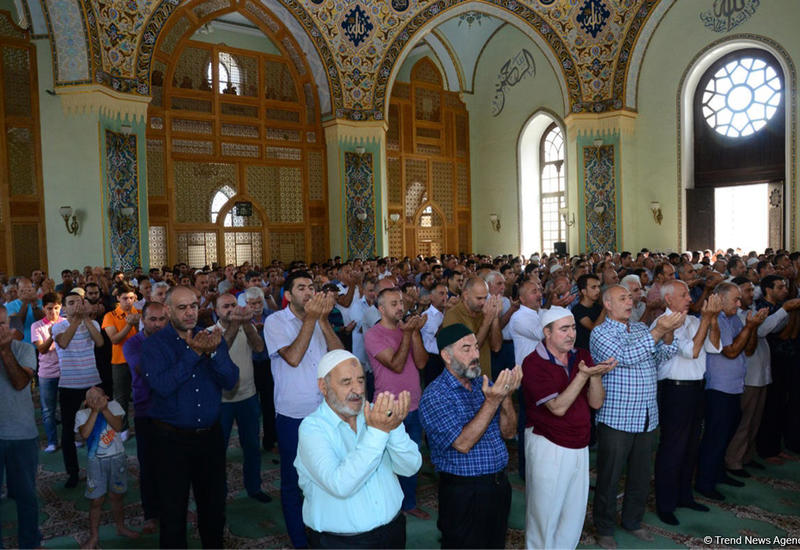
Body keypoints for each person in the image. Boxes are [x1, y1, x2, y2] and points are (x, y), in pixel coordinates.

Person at [141, 286, 239, 548]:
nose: (189, 313)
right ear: (168, 310)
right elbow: (162, 386)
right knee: (172, 512)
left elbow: (230, 381)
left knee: (213, 507)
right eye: (182, 308)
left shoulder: (211, 338)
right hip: (170, 441)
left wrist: (215, 351)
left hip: (210, 438)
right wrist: (194, 353)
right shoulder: (154, 345)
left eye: (194, 306)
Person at [295, 350, 422, 549]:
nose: (358, 389)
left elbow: (410, 467)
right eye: (346, 382)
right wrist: (379, 431)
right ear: (323, 386)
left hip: (393, 532)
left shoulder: (376, 414)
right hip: (342, 543)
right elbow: (340, 484)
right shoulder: (312, 429)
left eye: (361, 380)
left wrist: (394, 426)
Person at [590, 285, 683, 549]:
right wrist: (658, 330)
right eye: (623, 298)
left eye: (630, 297)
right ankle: (604, 528)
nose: (630, 301)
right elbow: (626, 356)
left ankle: (632, 520)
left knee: (641, 476)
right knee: (609, 476)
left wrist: (668, 331)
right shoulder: (601, 333)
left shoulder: (642, 329)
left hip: (646, 415)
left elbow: (663, 356)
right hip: (617, 417)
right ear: (608, 304)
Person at [419, 323, 522, 549]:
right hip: (464, 493)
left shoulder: (481, 384)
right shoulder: (435, 395)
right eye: (466, 349)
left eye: (476, 347)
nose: (475, 354)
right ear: (446, 355)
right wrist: (492, 401)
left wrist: (505, 397)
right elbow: (463, 443)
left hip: (498, 485)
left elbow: (510, 431)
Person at [522, 307, 614, 549]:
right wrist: (583, 376)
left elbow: (596, 402)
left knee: (573, 513)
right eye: (564, 329)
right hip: (548, 445)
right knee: (545, 514)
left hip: (579, 443)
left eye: (573, 327)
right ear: (547, 332)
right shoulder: (533, 364)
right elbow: (558, 408)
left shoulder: (581, 355)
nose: (571, 334)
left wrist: (595, 375)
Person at [263, 270, 343, 548]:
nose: (309, 292)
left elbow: (339, 357)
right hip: (293, 416)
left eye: (311, 287)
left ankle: (326, 531)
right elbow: (294, 357)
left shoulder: (319, 320)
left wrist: (322, 321)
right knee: (293, 483)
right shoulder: (276, 322)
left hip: (326, 412)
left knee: (328, 476)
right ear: (287, 296)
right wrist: (312, 318)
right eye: (301, 288)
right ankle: (300, 541)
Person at [652, 281, 722, 525]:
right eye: (683, 295)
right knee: (673, 447)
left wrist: (712, 320)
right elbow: (691, 351)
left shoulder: (693, 320)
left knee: (692, 444)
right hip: (675, 391)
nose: (690, 299)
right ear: (669, 299)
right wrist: (706, 318)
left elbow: (714, 346)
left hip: (696, 389)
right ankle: (665, 503)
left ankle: (684, 495)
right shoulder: (663, 323)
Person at [695, 283, 767, 501]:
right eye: (735, 300)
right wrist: (749, 327)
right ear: (720, 299)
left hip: (735, 386)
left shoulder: (734, 318)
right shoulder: (713, 321)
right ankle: (704, 482)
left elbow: (749, 348)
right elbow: (732, 351)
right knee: (714, 437)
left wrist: (752, 327)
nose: (739, 303)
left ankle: (718, 474)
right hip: (718, 387)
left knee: (726, 434)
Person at [365, 287, 428, 519]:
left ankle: (408, 503)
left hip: (414, 404)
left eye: (401, 302)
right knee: (385, 462)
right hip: (388, 408)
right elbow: (396, 364)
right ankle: (384, 507)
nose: (400, 307)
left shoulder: (407, 330)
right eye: (393, 304)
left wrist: (413, 333)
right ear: (381, 309)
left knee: (411, 457)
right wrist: (408, 334)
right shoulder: (374, 335)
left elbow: (421, 363)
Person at [212, 293, 271, 502]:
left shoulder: (248, 326)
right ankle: (219, 491)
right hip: (221, 401)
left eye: (234, 305)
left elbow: (259, 348)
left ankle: (254, 487)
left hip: (248, 396)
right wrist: (236, 325)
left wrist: (246, 325)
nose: (230, 309)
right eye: (225, 306)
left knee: (252, 446)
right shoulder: (211, 333)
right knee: (218, 450)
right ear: (216, 311)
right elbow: (221, 350)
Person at [122, 301, 169, 534]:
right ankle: (150, 513)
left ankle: (172, 509)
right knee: (149, 466)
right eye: (153, 319)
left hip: (172, 411)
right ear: (143, 319)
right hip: (146, 412)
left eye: (162, 320)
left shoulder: (173, 339)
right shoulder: (132, 344)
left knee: (172, 464)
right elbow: (147, 372)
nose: (158, 324)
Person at [75, 386, 139, 549]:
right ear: (86, 403)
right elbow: (85, 434)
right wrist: (95, 411)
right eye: (92, 400)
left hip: (117, 459)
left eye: (99, 397)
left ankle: (121, 527)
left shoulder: (114, 407)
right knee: (96, 500)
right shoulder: (82, 414)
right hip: (96, 462)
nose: (96, 401)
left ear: (107, 397)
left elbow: (117, 426)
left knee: (117, 495)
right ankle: (94, 536)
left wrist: (104, 409)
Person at [53, 291, 105, 488]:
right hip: (69, 385)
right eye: (71, 303)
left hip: (92, 382)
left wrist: (86, 320)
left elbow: (99, 342)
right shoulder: (58, 326)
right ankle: (72, 473)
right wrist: (75, 320)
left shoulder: (93, 323)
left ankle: (99, 469)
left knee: (97, 428)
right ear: (64, 308)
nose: (76, 306)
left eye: (79, 302)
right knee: (68, 432)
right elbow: (64, 343)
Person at [0, 305, 41, 549]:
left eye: (2, 324)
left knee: (26, 495)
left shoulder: (24, 349)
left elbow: (19, 382)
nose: (0, 329)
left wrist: (5, 351)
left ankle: (30, 542)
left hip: (22, 434)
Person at [441, 277, 502, 378]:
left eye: (485, 298)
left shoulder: (484, 311)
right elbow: (470, 351)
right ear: (465, 295)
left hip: (484, 378)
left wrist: (495, 318)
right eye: (479, 298)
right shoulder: (453, 315)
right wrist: (487, 321)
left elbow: (496, 347)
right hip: (464, 380)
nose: (483, 302)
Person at [102, 283, 140, 438]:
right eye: (125, 298)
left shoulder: (140, 313)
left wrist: (137, 324)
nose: (128, 301)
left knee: (141, 394)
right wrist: (128, 324)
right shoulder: (110, 316)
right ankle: (124, 428)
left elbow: (144, 337)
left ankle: (142, 424)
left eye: (131, 298)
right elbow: (115, 339)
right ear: (118, 298)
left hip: (138, 360)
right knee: (121, 396)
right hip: (119, 361)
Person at [31, 292, 63, 452]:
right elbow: (42, 349)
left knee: (69, 408)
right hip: (47, 374)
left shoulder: (65, 322)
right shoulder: (36, 326)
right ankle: (52, 441)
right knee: (48, 410)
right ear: (44, 308)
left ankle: (72, 438)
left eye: (57, 308)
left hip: (65, 372)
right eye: (50, 309)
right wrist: (52, 336)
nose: (53, 312)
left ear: (61, 307)